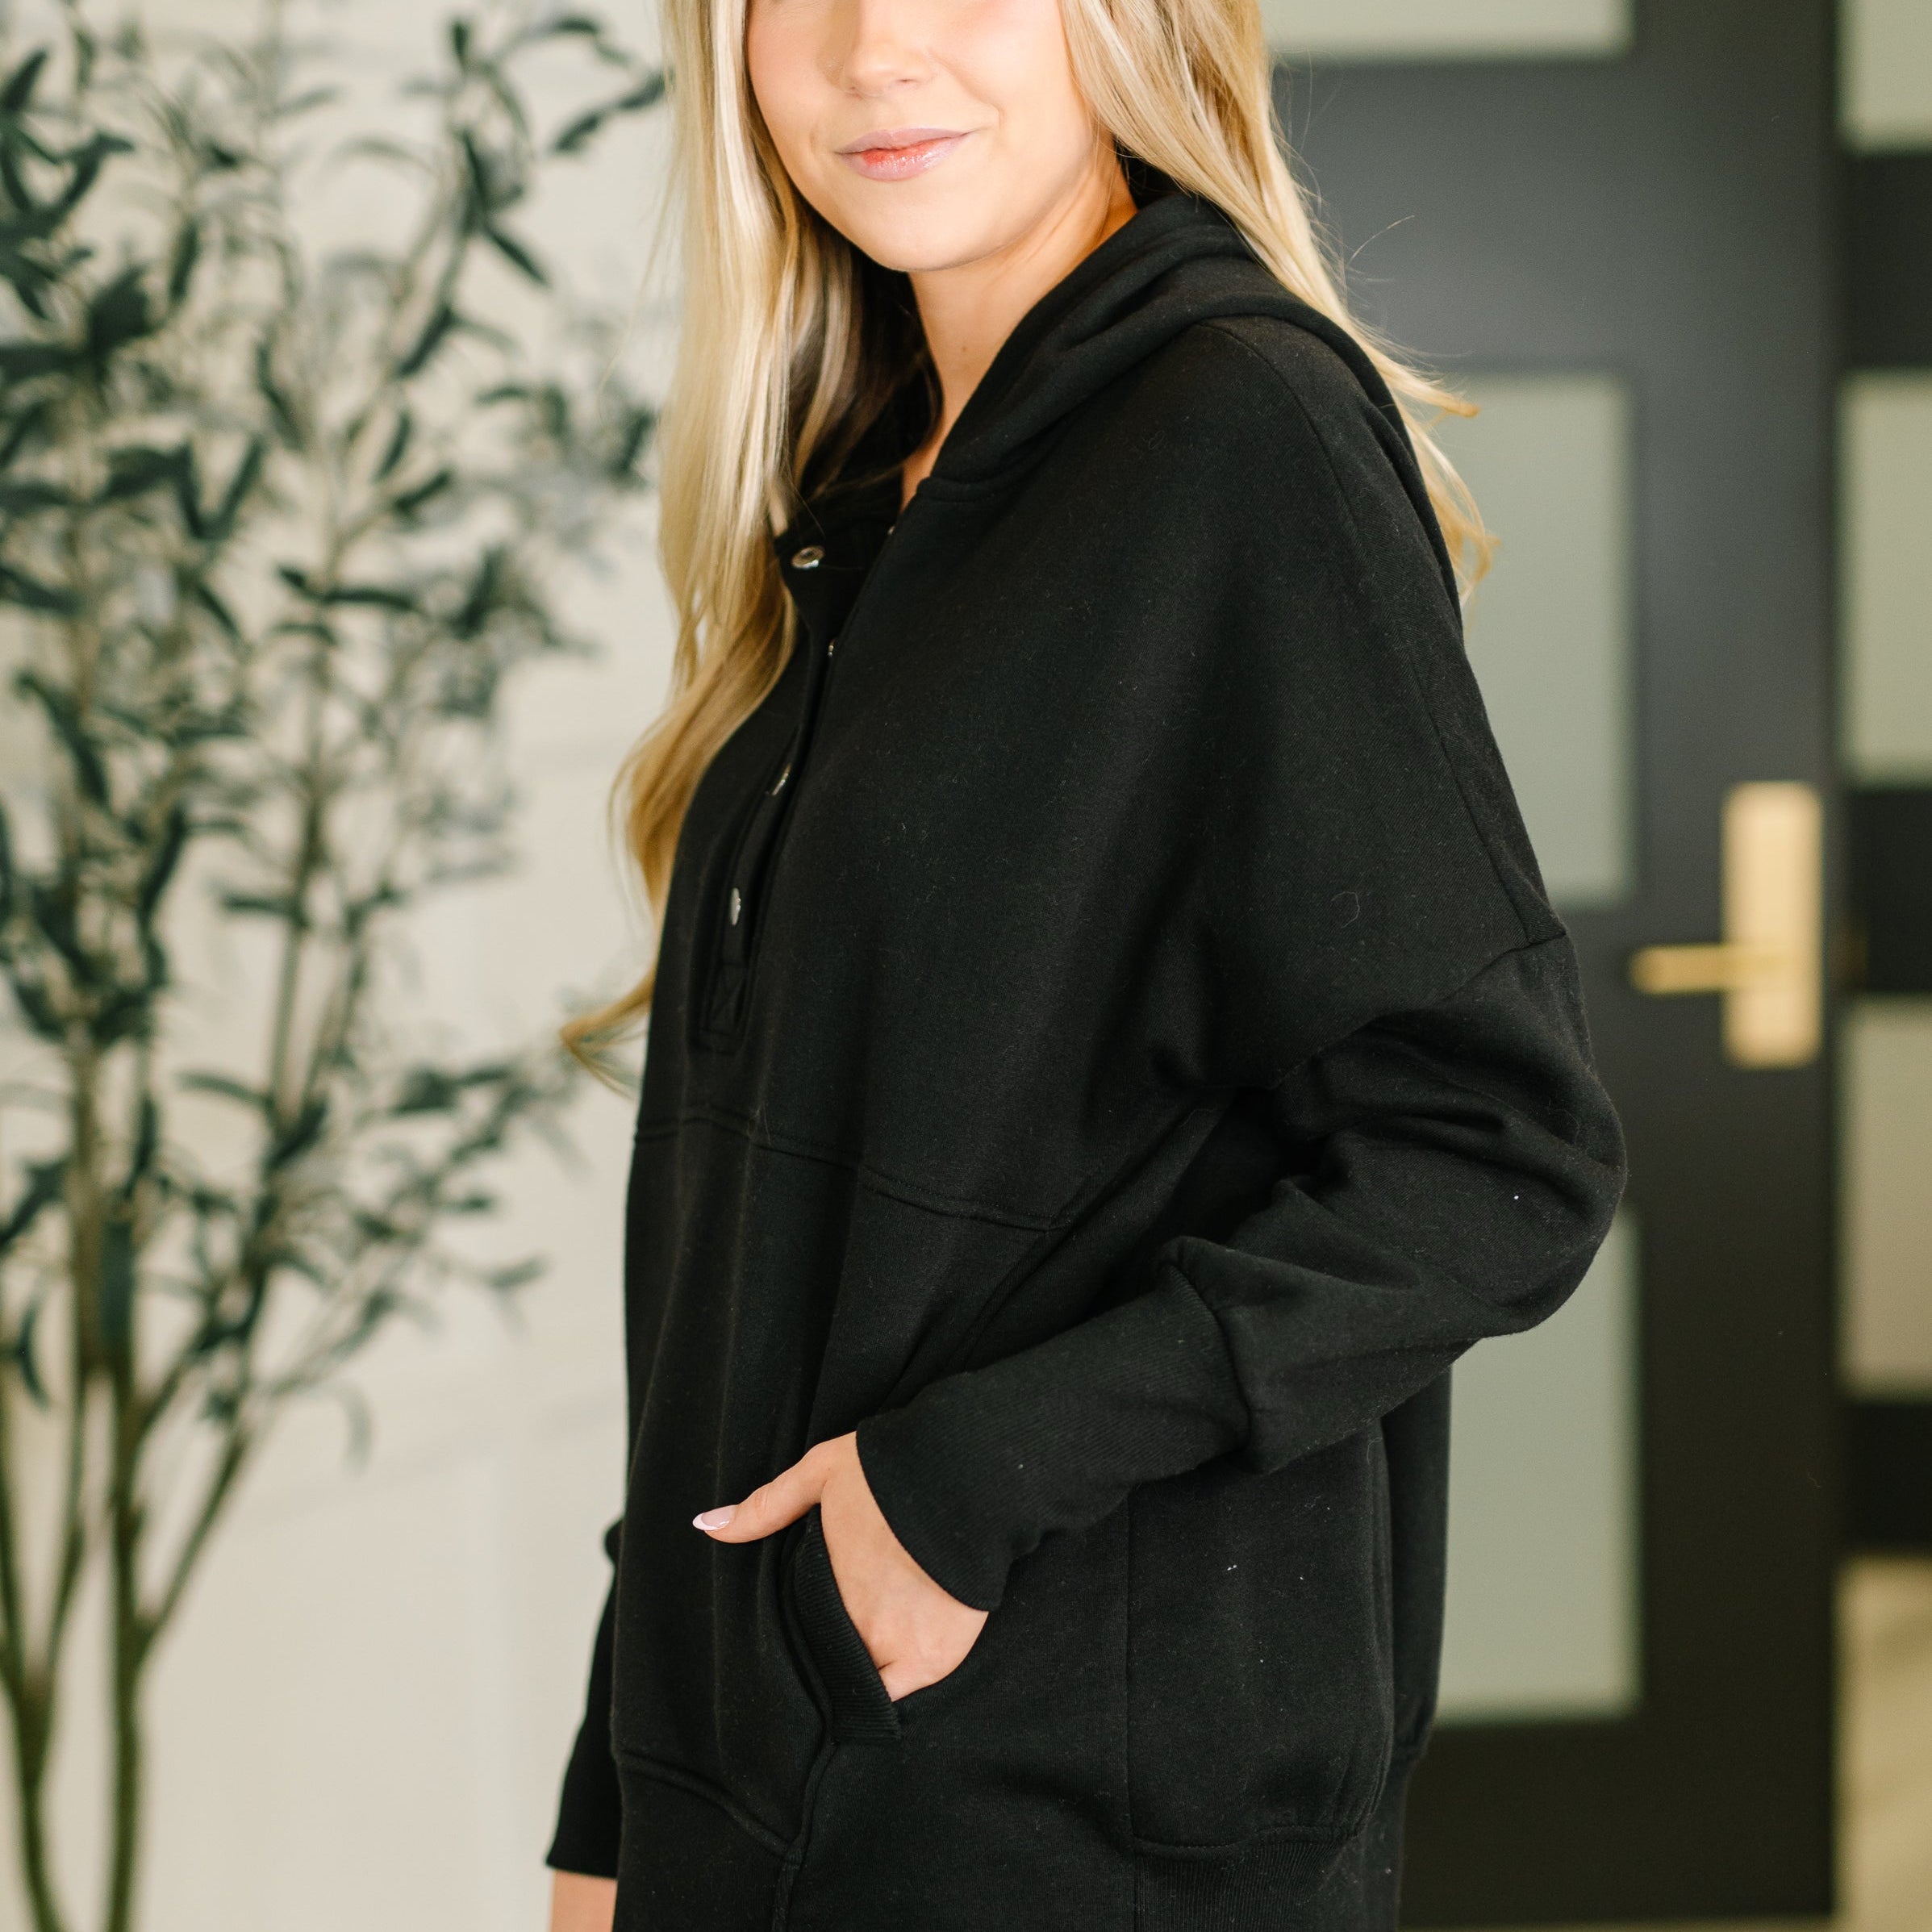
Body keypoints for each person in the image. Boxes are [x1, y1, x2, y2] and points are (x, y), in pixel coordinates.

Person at [546, 2, 1627, 1928]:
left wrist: (961, 1485)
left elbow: (1493, 1159)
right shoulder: (868, 491)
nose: (875, 49)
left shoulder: (1234, 435)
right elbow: (738, 1256)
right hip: (766, 1806)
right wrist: (620, 1798)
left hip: (1072, 1829)